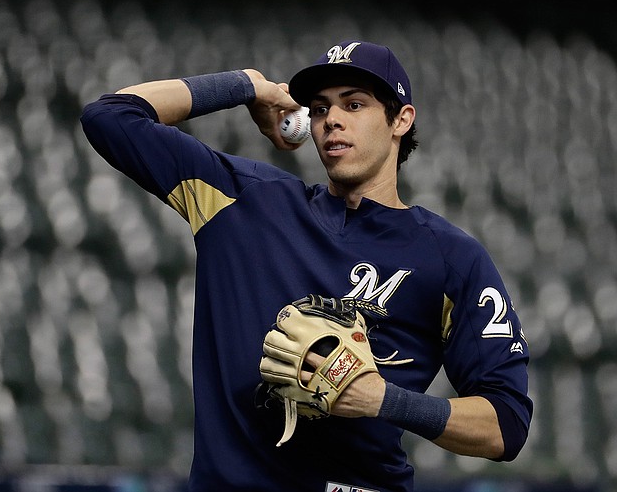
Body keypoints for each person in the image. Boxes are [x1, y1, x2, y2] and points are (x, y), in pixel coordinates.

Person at [80, 39, 532, 492]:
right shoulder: (242, 201)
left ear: (401, 120)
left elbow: (506, 425)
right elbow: (111, 117)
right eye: (319, 109)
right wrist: (245, 86)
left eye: (354, 104)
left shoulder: (450, 257)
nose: (332, 119)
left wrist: (383, 400)